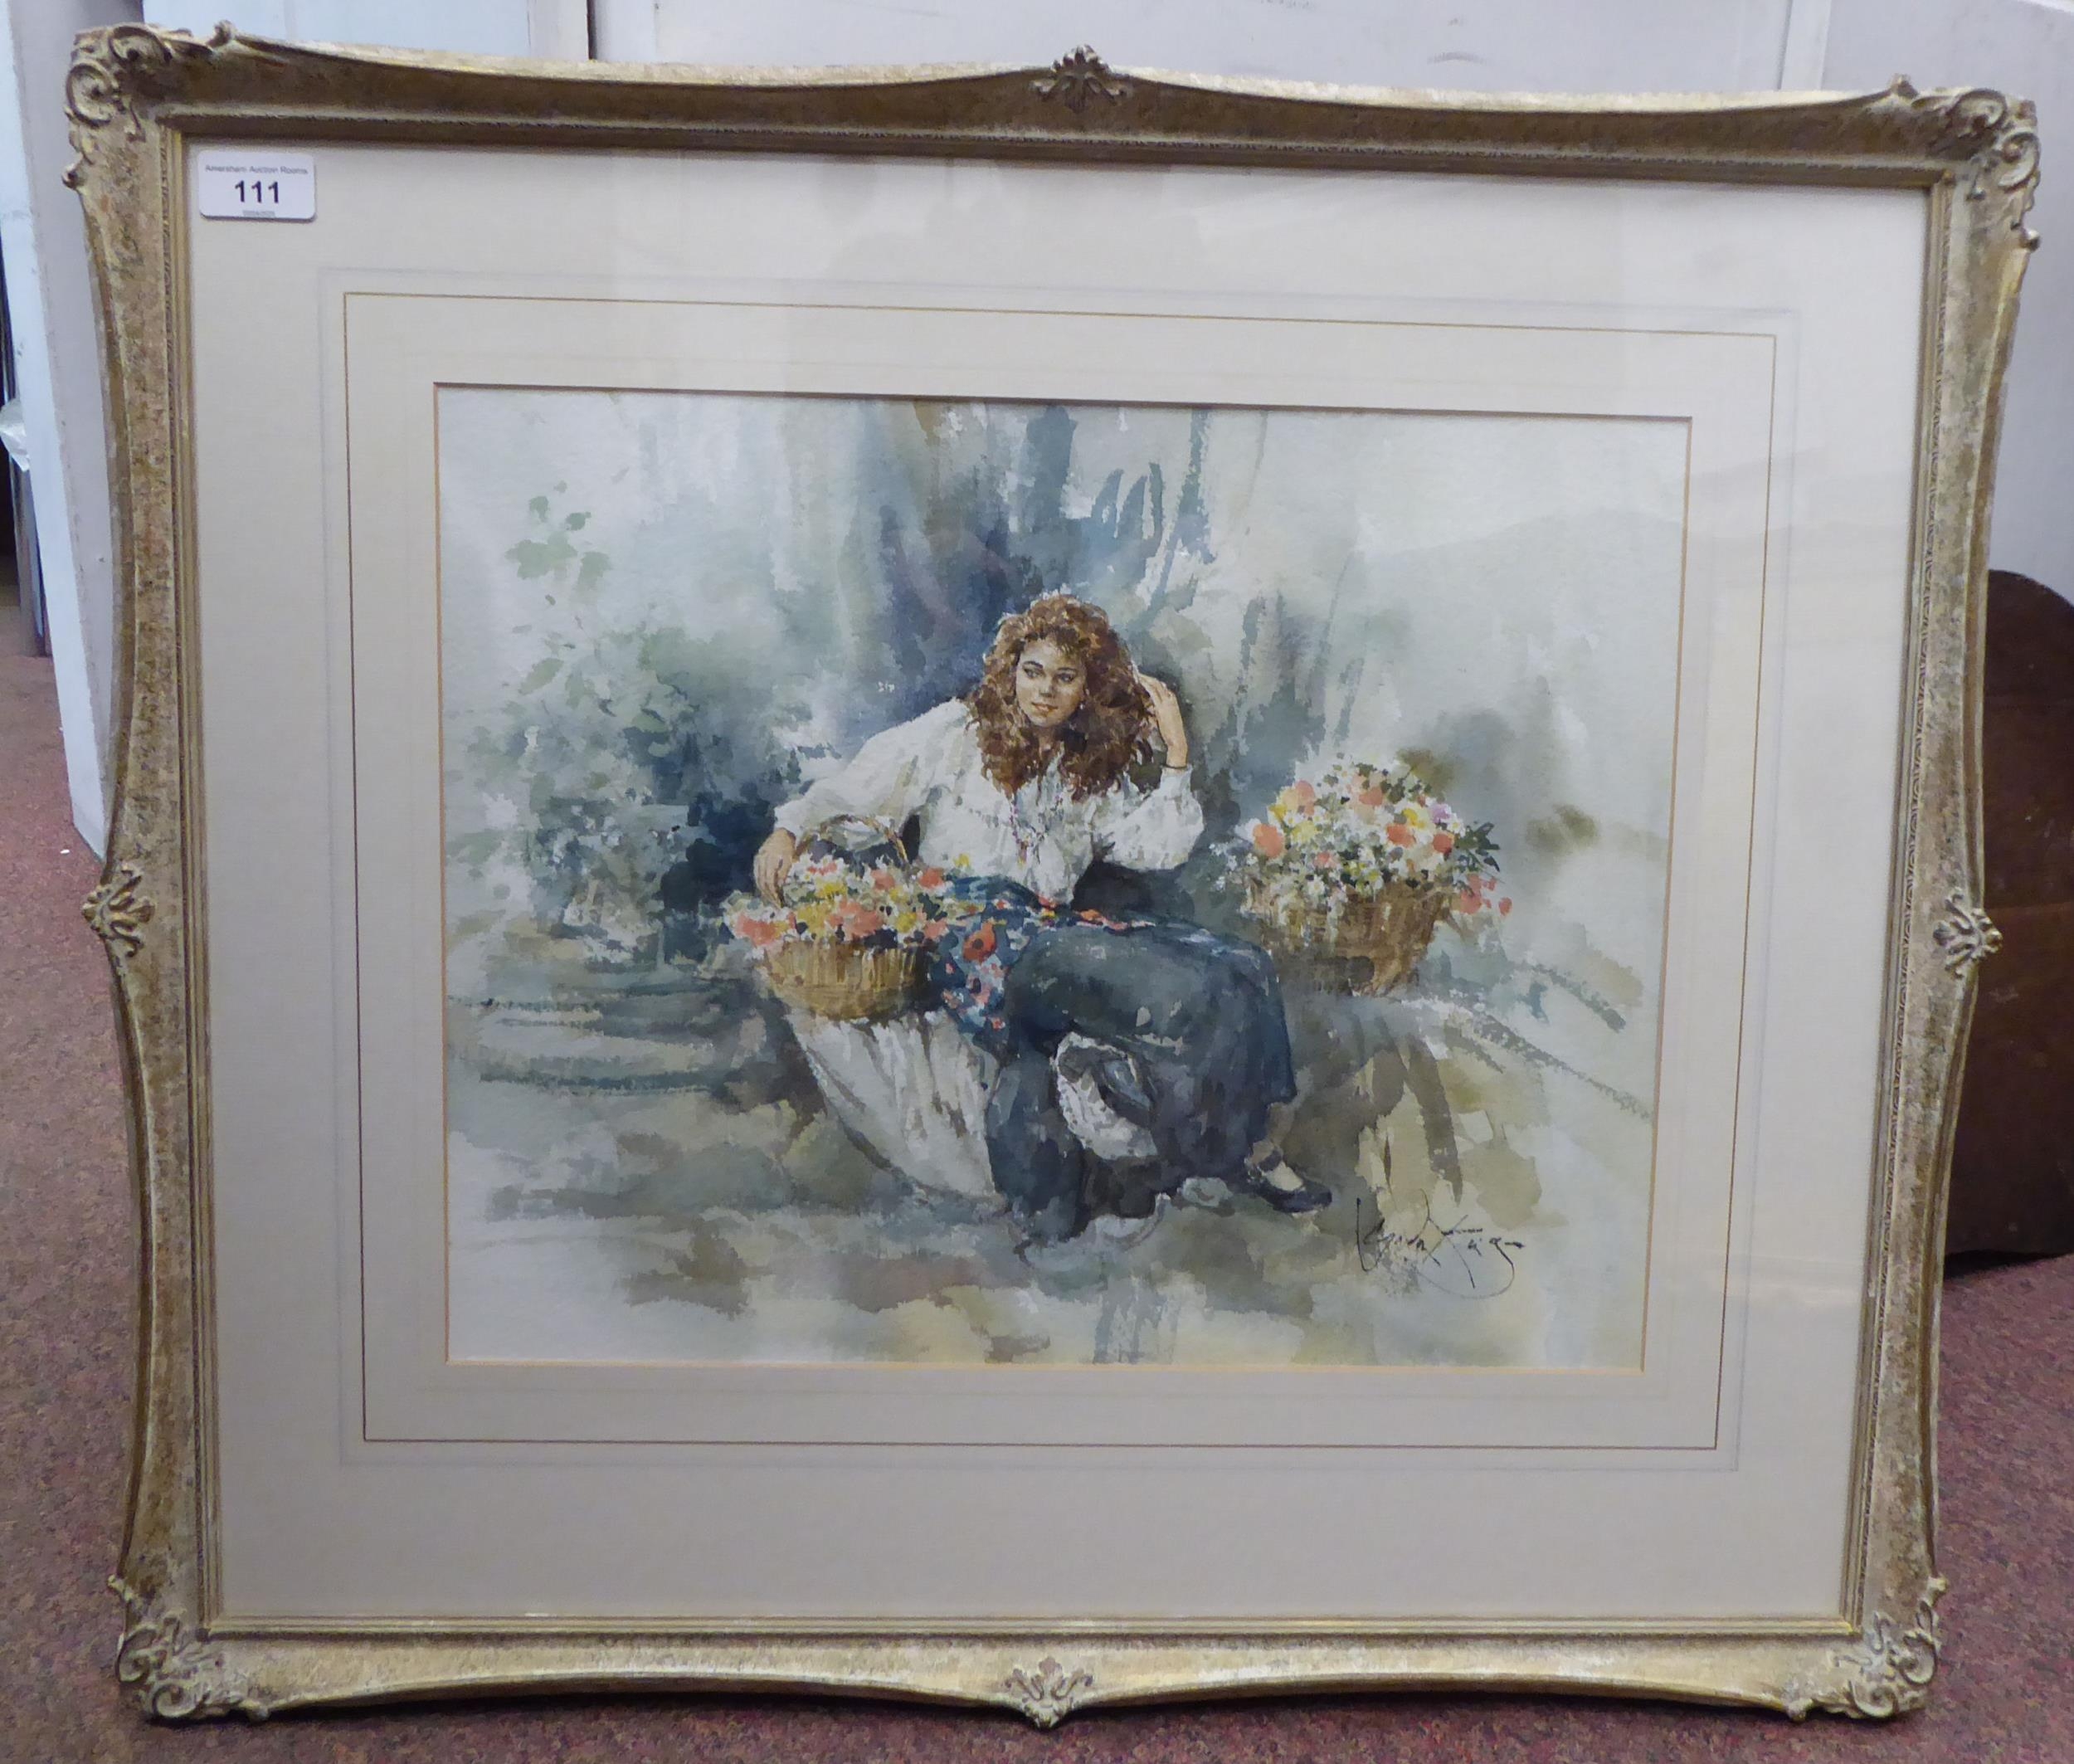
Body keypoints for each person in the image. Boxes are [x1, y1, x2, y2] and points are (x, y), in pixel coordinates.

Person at [754, 593, 1332, 1245]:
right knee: (1185, 991)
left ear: (1088, 687)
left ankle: (1247, 1147)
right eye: (1032, 671)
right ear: (1011, 671)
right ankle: (1219, 1155)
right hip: (972, 936)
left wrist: (1176, 755)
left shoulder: (1088, 766)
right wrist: (788, 831)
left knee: (1244, 965)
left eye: (1064, 677)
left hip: (1049, 930)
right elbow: (857, 788)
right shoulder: (957, 731)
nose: (1045, 691)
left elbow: (1157, 849)